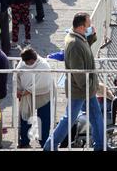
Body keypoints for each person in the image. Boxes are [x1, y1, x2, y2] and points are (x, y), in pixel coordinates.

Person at [44, 12, 112, 151]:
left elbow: (84, 49)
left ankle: (101, 145)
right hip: (81, 90)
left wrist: (92, 37)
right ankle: (50, 145)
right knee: (69, 119)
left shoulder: (78, 38)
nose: (91, 26)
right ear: (81, 27)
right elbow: (78, 72)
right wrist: (89, 88)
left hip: (87, 89)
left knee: (96, 116)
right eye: (89, 24)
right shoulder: (74, 43)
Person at [16, 47, 53, 148]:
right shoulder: (22, 63)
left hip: (43, 95)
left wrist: (28, 90)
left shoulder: (44, 65)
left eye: (28, 62)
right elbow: (17, 76)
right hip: (26, 95)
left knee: (44, 119)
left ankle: (44, 142)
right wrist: (18, 89)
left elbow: (44, 83)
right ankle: (24, 141)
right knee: (25, 117)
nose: (26, 64)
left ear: (33, 59)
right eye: (25, 62)